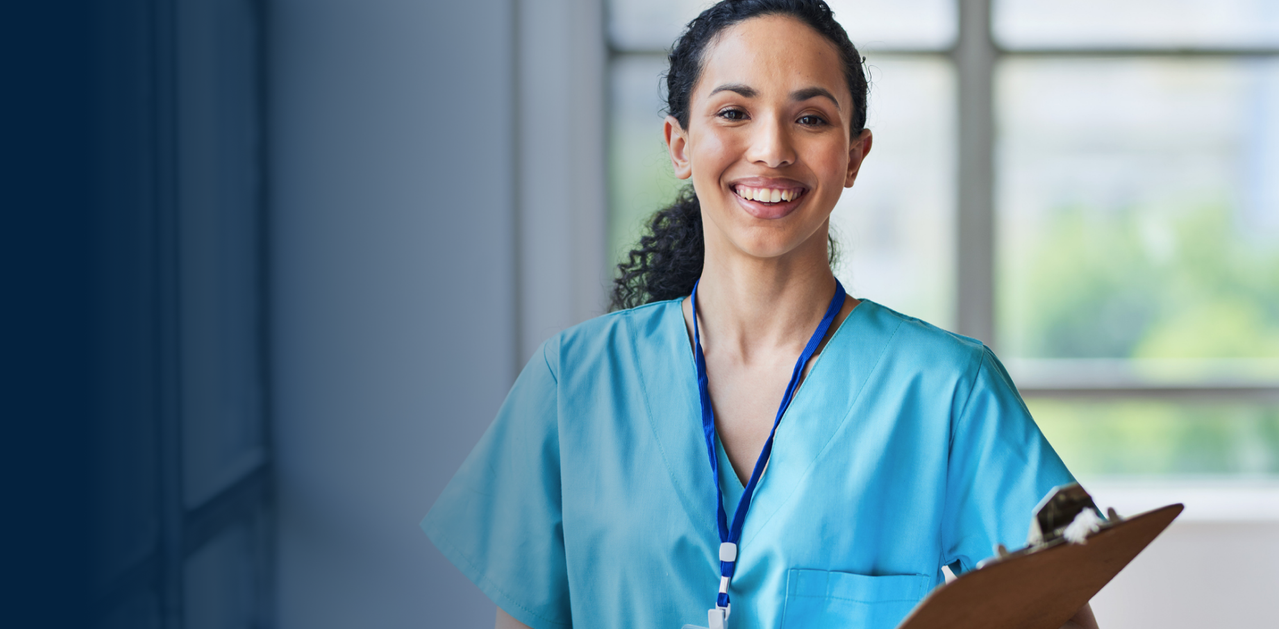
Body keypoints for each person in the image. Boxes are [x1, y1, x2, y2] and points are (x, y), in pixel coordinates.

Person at [420, 1, 1098, 628]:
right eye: (733, 112)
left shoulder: (947, 389)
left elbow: (1060, 610)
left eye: (811, 118)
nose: (772, 149)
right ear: (680, 145)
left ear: (854, 156)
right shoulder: (573, 381)